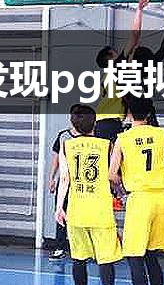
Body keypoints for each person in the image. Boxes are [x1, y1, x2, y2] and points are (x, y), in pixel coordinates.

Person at [109, 96, 164, 285]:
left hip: (140, 199)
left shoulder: (123, 138)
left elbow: (111, 174)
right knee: (150, 253)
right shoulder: (161, 133)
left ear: (128, 113)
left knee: (133, 254)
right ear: (148, 113)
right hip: (162, 199)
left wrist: (121, 190)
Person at [55, 104, 122, 285]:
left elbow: (64, 179)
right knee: (106, 259)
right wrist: (120, 190)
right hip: (101, 210)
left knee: (79, 258)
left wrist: (59, 207)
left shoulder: (66, 145)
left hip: (77, 209)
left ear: (73, 124)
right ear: (95, 124)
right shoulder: (107, 145)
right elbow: (113, 176)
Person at [94, 0, 148, 144]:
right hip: (112, 121)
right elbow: (134, 36)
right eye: (116, 52)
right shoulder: (116, 66)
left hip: (101, 121)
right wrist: (139, 10)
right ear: (111, 57)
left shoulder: (106, 76)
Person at [128, 12, 164, 127]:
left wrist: (134, 47)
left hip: (134, 115)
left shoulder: (129, 73)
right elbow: (163, 48)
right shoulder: (150, 66)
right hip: (148, 112)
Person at [47, 121, 79, 261]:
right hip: (65, 181)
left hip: (82, 183)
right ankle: (60, 247)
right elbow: (56, 159)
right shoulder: (63, 136)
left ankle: (85, 248)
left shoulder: (92, 137)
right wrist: (51, 177)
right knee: (61, 213)